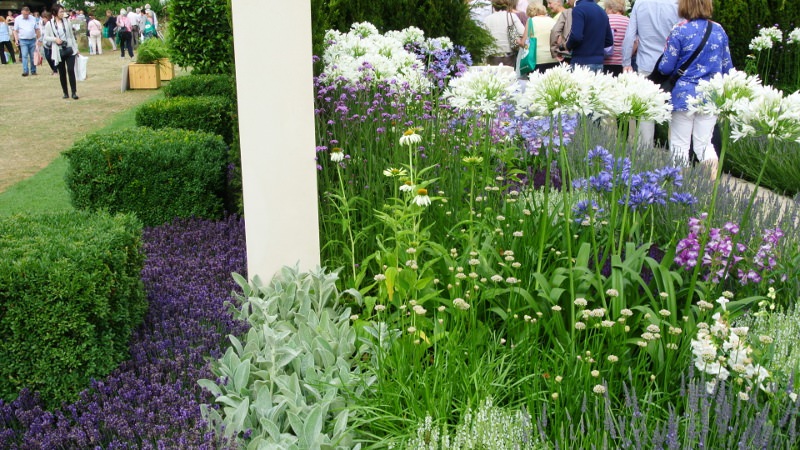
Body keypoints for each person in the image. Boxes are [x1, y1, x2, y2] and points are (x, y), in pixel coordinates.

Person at [655, 0, 731, 178]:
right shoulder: (719, 30)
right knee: (704, 144)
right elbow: (727, 67)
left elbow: (665, 67)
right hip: (710, 95)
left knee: (680, 145)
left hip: (683, 95)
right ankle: (712, 190)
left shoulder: (679, 29)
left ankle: (680, 191)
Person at [622, 0, 680, 147]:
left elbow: (630, 36)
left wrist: (626, 63)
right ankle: (677, 154)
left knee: (647, 114)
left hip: (646, 66)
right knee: (675, 114)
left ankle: (644, 154)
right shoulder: (676, 4)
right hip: (672, 67)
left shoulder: (640, 3)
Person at [565, 0, 613, 72]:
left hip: (581, 62)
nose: (567, 2)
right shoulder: (602, 11)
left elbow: (576, 37)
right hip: (598, 62)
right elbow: (609, 41)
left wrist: (567, 46)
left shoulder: (578, 9)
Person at [43, 4, 80, 99]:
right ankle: (65, 92)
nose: (63, 13)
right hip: (58, 50)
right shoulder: (49, 24)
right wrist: (55, 39)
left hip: (69, 48)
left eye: (63, 11)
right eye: (61, 12)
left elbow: (72, 36)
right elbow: (46, 37)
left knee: (71, 70)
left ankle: (74, 92)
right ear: (55, 13)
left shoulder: (67, 22)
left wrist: (76, 48)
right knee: (62, 72)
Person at [483, 0, 525, 68]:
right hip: (508, 55)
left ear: (493, 6)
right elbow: (522, 32)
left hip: (492, 55)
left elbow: (483, 37)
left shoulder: (487, 19)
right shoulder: (511, 16)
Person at [522, 2, 558, 72]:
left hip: (536, 59)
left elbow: (524, 43)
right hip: (553, 58)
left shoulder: (530, 21)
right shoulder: (552, 21)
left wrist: (517, 41)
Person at [603, 0, 629, 75]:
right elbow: (635, 43)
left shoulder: (604, 19)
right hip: (622, 63)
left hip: (605, 62)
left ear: (610, 8)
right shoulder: (628, 21)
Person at [13, 7, 40, 77]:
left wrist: (39, 39)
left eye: (27, 14)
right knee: (24, 56)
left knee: (32, 56)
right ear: (22, 12)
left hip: (32, 39)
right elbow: (15, 30)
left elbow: (37, 29)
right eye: (24, 14)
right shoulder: (18, 19)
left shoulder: (33, 18)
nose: (26, 16)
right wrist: (16, 40)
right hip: (23, 40)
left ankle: (33, 71)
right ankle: (25, 71)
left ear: (29, 13)